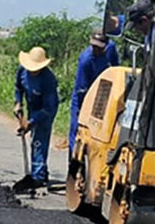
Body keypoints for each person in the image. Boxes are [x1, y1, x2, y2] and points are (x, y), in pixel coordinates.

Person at [14, 46, 59, 189]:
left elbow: (48, 107)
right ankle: (41, 172)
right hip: (31, 106)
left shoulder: (48, 80)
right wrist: (18, 103)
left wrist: (32, 122)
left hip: (45, 111)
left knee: (39, 142)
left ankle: (37, 177)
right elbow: (18, 87)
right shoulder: (22, 71)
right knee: (34, 139)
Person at [69, 30, 119, 154]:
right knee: (78, 131)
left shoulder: (111, 48)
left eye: (99, 47)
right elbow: (81, 88)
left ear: (106, 46)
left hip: (103, 93)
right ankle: (73, 165)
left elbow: (116, 67)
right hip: (84, 96)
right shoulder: (85, 60)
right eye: (93, 46)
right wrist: (83, 111)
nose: (95, 49)